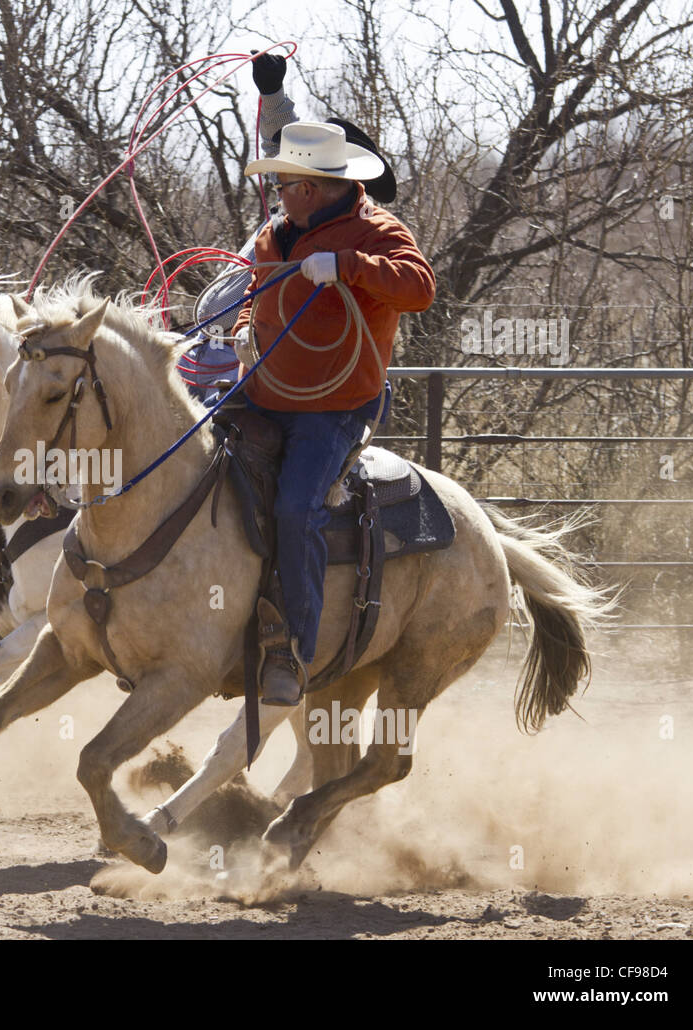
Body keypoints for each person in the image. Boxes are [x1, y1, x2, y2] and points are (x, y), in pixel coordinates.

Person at [228, 116, 435, 706]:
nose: (276, 194)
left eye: (284, 183)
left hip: (335, 407)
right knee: (183, 460)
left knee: (297, 507)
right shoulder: (278, 233)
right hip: (263, 388)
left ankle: (292, 650)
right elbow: (258, 294)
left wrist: (348, 266)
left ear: (310, 188)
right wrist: (245, 328)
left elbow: (420, 288)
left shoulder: (375, 231)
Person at [185, 52, 398, 401]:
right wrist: (272, 94)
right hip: (212, 346)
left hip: (255, 362)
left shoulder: (359, 231)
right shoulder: (298, 208)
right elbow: (279, 142)